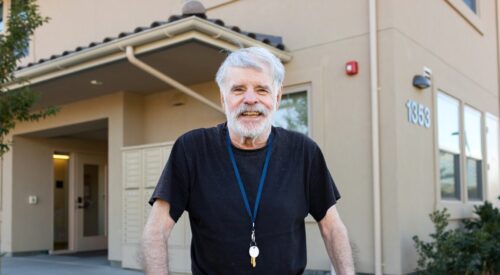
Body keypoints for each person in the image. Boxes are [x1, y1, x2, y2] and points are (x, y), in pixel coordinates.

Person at [142, 47, 354, 275]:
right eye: (238, 89)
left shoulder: (304, 152)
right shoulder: (191, 149)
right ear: (223, 98)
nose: (250, 99)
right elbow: (156, 231)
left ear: (278, 96)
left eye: (262, 89)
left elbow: (332, 228)